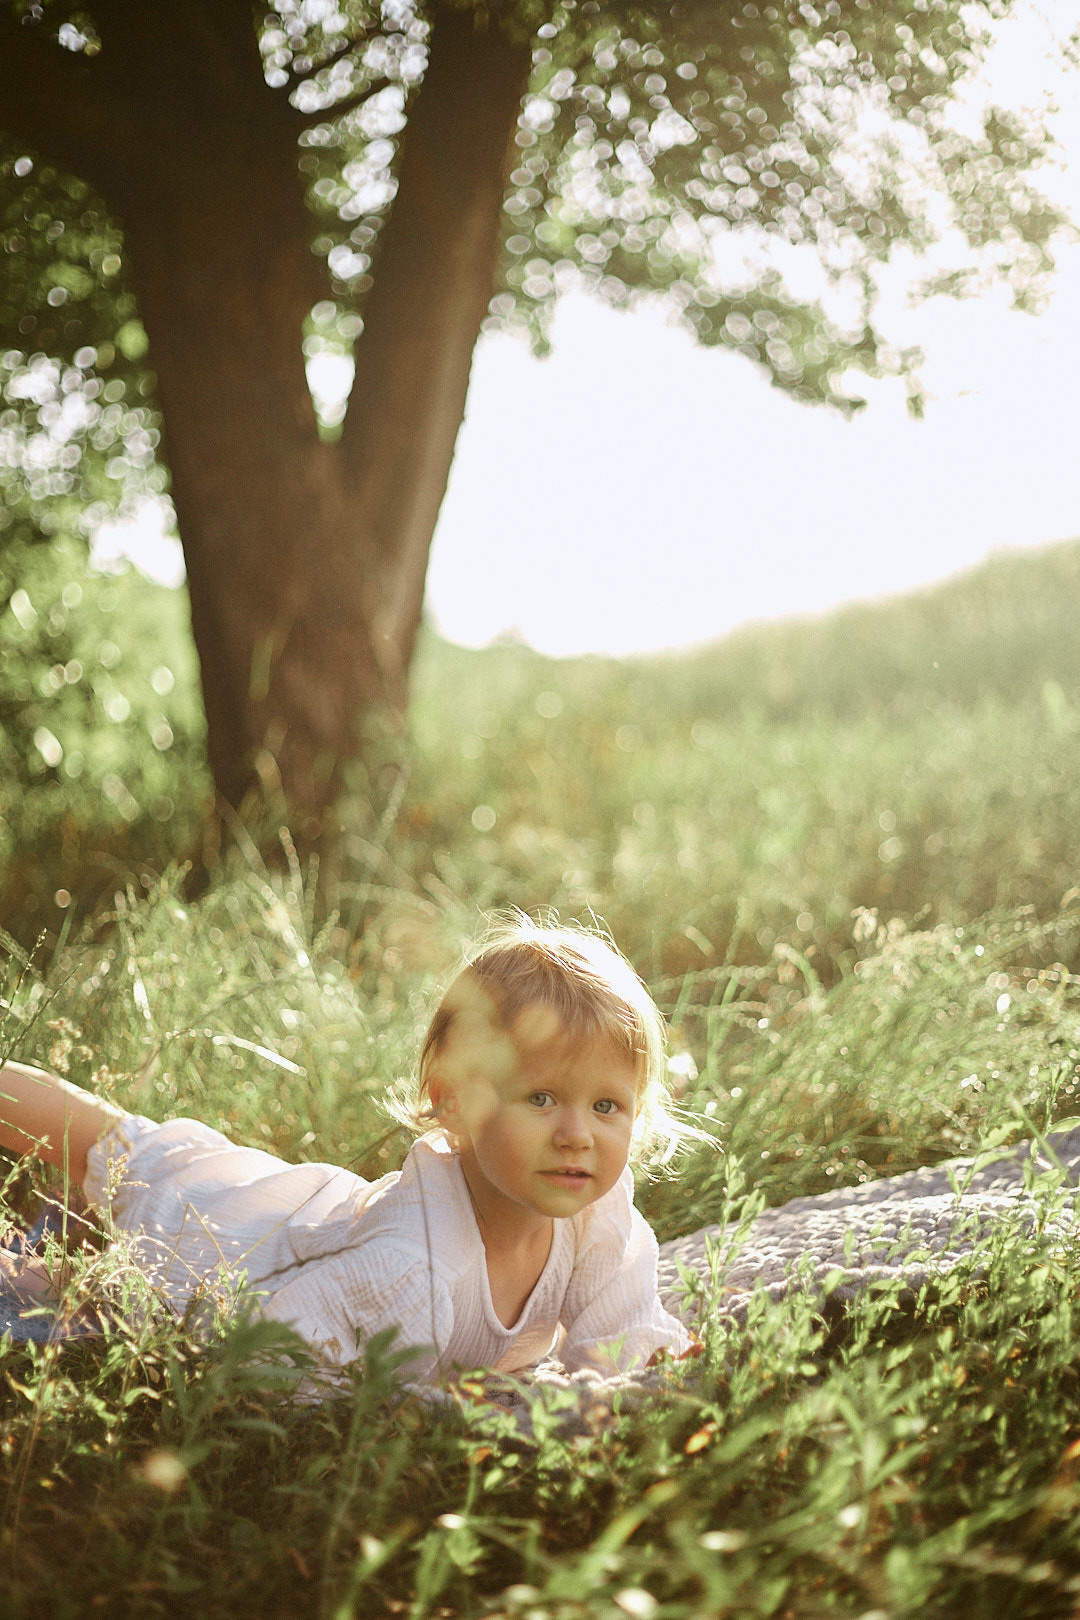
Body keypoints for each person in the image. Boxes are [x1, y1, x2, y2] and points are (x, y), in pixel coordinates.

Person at [0, 917, 699, 1385]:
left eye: (607, 1106)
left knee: (111, 1175)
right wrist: (435, 1414)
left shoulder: (595, 1216)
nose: (578, 1133)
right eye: (541, 1099)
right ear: (454, 1103)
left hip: (322, 1216)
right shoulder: (412, 1268)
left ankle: (74, 1229)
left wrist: (646, 1378)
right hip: (234, 1243)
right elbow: (272, 1353)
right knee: (123, 1149)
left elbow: (623, 1330)